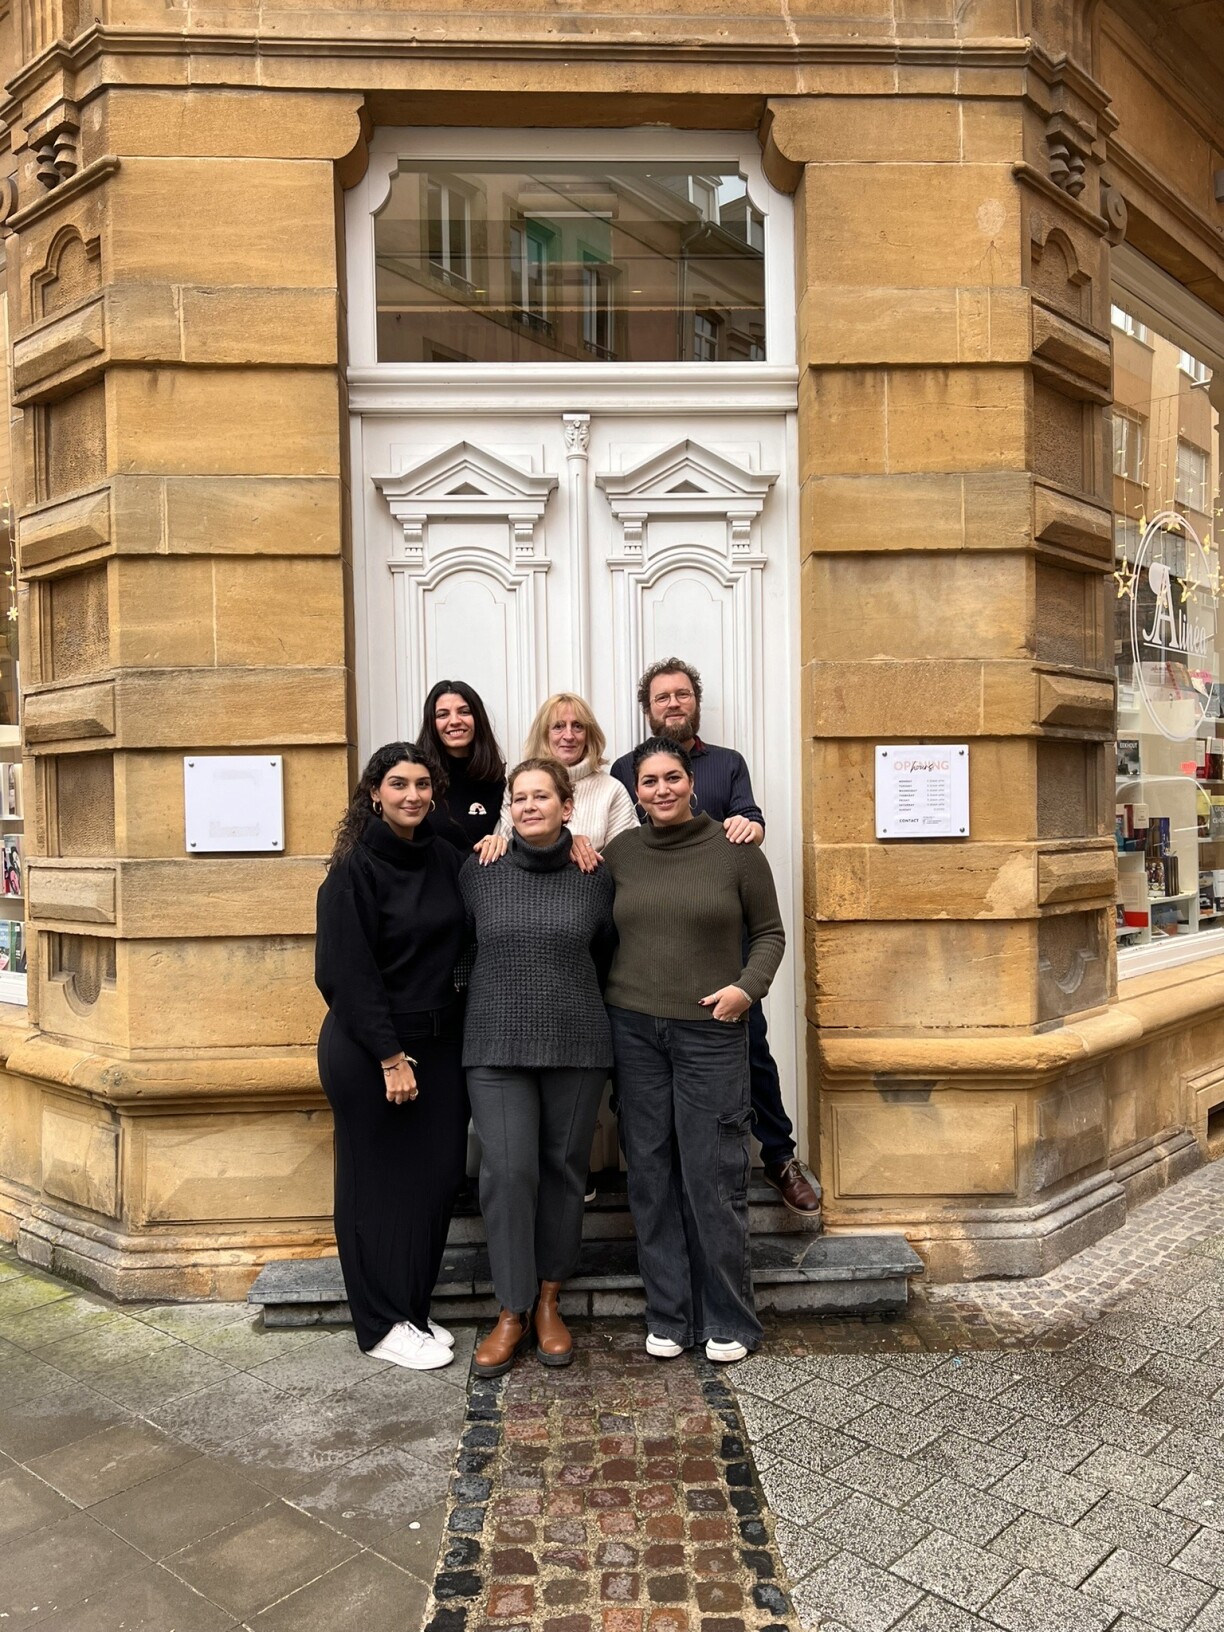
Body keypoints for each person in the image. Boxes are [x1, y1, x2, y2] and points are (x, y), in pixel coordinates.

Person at [610, 658, 821, 1218]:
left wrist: (749, 826)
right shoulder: (624, 769)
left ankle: (779, 1156)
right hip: (654, 953)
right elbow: (618, 841)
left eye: (682, 695)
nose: (673, 704)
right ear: (648, 709)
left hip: (719, 945)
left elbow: (749, 819)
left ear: (695, 702)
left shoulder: (726, 765)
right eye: (662, 698)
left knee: (754, 1056)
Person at [603, 737, 785, 1363]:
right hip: (634, 1032)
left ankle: (728, 1318)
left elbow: (768, 933)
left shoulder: (735, 849)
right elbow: (593, 929)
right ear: (637, 791)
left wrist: (746, 989)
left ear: (691, 782)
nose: (661, 790)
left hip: (710, 1031)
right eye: (649, 781)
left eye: (672, 777)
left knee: (713, 1176)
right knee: (650, 1175)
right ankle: (669, 1314)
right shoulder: (621, 853)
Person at [314, 742, 470, 1371]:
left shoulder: (444, 855)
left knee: (433, 1185)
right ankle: (378, 1323)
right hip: (372, 1049)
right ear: (374, 793)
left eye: (423, 784)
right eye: (398, 784)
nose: (413, 795)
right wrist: (390, 1057)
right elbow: (344, 975)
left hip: (440, 1043)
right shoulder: (353, 870)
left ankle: (410, 1307)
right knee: (374, 1186)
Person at [460, 758, 615, 1376]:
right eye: (519, 798)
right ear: (509, 807)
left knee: (562, 1171)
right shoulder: (480, 870)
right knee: (508, 1171)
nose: (529, 806)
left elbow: (608, 954)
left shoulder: (595, 875)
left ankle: (551, 1300)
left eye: (541, 797)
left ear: (566, 806)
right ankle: (511, 1308)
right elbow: (458, 949)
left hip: (576, 1045)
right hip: (495, 1047)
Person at [475, 692, 638, 864]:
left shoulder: (611, 790)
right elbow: (506, 846)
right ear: (544, 734)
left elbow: (627, 861)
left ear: (589, 735)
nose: (568, 736)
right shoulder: (520, 784)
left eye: (578, 726)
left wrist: (584, 852)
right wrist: (496, 842)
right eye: (558, 727)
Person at [418, 679, 507, 851]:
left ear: (478, 719)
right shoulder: (418, 778)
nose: (455, 721)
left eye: (464, 712)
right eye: (443, 715)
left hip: (480, 876)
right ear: (431, 723)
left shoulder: (496, 781)